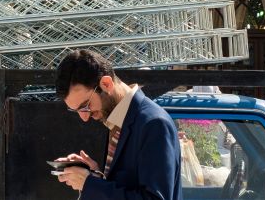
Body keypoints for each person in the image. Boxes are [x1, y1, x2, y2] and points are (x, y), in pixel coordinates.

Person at [53, 49, 183, 199]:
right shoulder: (119, 119)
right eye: (77, 110)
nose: (84, 117)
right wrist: (95, 176)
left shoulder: (154, 123)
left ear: (106, 84)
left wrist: (90, 184)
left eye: (86, 106)